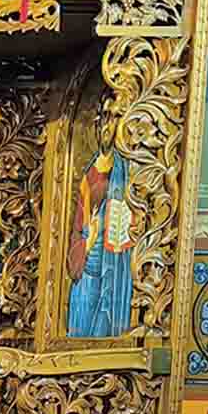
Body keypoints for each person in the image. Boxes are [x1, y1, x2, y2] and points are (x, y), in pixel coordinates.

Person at [65, 143, 134, 338]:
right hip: (87, 277)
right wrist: (88, 243)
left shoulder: (119, 213)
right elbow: (77, 248)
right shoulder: (88, 216)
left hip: (107, 277)